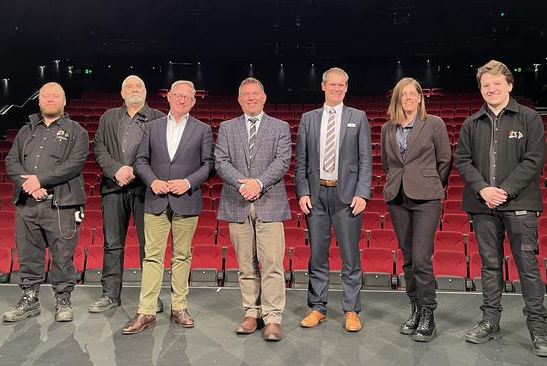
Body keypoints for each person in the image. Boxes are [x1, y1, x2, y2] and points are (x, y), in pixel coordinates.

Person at [456, 60, 547, 357]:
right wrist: (484, 189)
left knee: (527, 267)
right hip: (483, 205)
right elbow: (463, 161)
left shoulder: (529, 118)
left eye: (497, 83)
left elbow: (534, 159)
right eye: (486, 85)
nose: (491, 89)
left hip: (520, 204)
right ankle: (490, 321)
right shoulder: (471, 123)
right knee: (489, 266)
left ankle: (538, 329)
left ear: (509, 85)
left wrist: (505, 191)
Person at [121, 80, 214, 334]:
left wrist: (187, 182)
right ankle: (146, 311)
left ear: (194, 101)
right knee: (152, 256)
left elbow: (208, 165)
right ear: (169, 97)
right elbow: (140, 161)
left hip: (187, 199)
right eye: (178, 95)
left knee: (182, 256)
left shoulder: (203, 129)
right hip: (156, 199)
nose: (183, 100)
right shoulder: (152, 127)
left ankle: (179, 307)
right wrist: (153, 181)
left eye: (188, 97)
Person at [294, 67, 372, 332]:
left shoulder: (358, 117)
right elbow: (301, 160)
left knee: (351, 257)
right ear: (323, 86)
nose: (337, 89)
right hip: (316, 196)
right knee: (317, 256)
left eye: (342, 85)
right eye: (333, 85)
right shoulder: (308, 118)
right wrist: (303, 191)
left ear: (346, 88)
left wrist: (362, 192)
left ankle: (351, 309)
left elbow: (366, 159)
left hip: (347, 196)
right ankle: (318, 308)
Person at [3, 82, 88, 322]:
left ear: (64, 101)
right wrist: (28, 186)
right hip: (27, 204)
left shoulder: (77, 131)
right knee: (29, 254)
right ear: (39, 101)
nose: (50, 99)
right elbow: (12, 162)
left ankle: (63, 300)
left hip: (62, 205)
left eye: (55, 96)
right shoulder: (25, 131)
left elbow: (74, 165)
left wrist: (40, 180)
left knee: (62, 256)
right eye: (45, 96)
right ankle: (29, 299)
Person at [214, 77, 291, 341]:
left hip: (270, 202)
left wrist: (258, 183)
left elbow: (282, 161)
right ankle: (251, 313)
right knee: (246, 264)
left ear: (264, 97)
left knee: (272, 264)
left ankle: (272, 318)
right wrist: (243, 185)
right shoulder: (226, 127)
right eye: (245, 94)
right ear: (239, 99)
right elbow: (221, 161)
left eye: (255, 93)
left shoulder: (280, 127)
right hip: (237, 202)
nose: (250, 97)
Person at [381, 77, 451, 342]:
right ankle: (415, 310)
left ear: (421, 98)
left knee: (422, 258)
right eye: (403, 94)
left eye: (413, 94)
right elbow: (389, 163)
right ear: (397, 99)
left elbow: (444, 160)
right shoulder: (388, 128)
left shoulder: (434, 124)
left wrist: (430, 184)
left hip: (426, 199)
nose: (408, 98)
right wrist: (398, 183)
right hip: (397, 197)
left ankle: (429, 314)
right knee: (408, 258)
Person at [89, 75, 166, 313]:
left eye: (139, 86)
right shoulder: (108, 116)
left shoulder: (159, 118)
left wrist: (136, 171)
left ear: (146, 91)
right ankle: (110, 294)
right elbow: (99, 147)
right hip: (114, 186)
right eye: (129, 87)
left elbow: (162, 153)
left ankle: (151, 296)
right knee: (112, 244)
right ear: (122, 93)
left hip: (146, 189)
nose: (134, 89)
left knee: (149, 246)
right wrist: (116, 170)